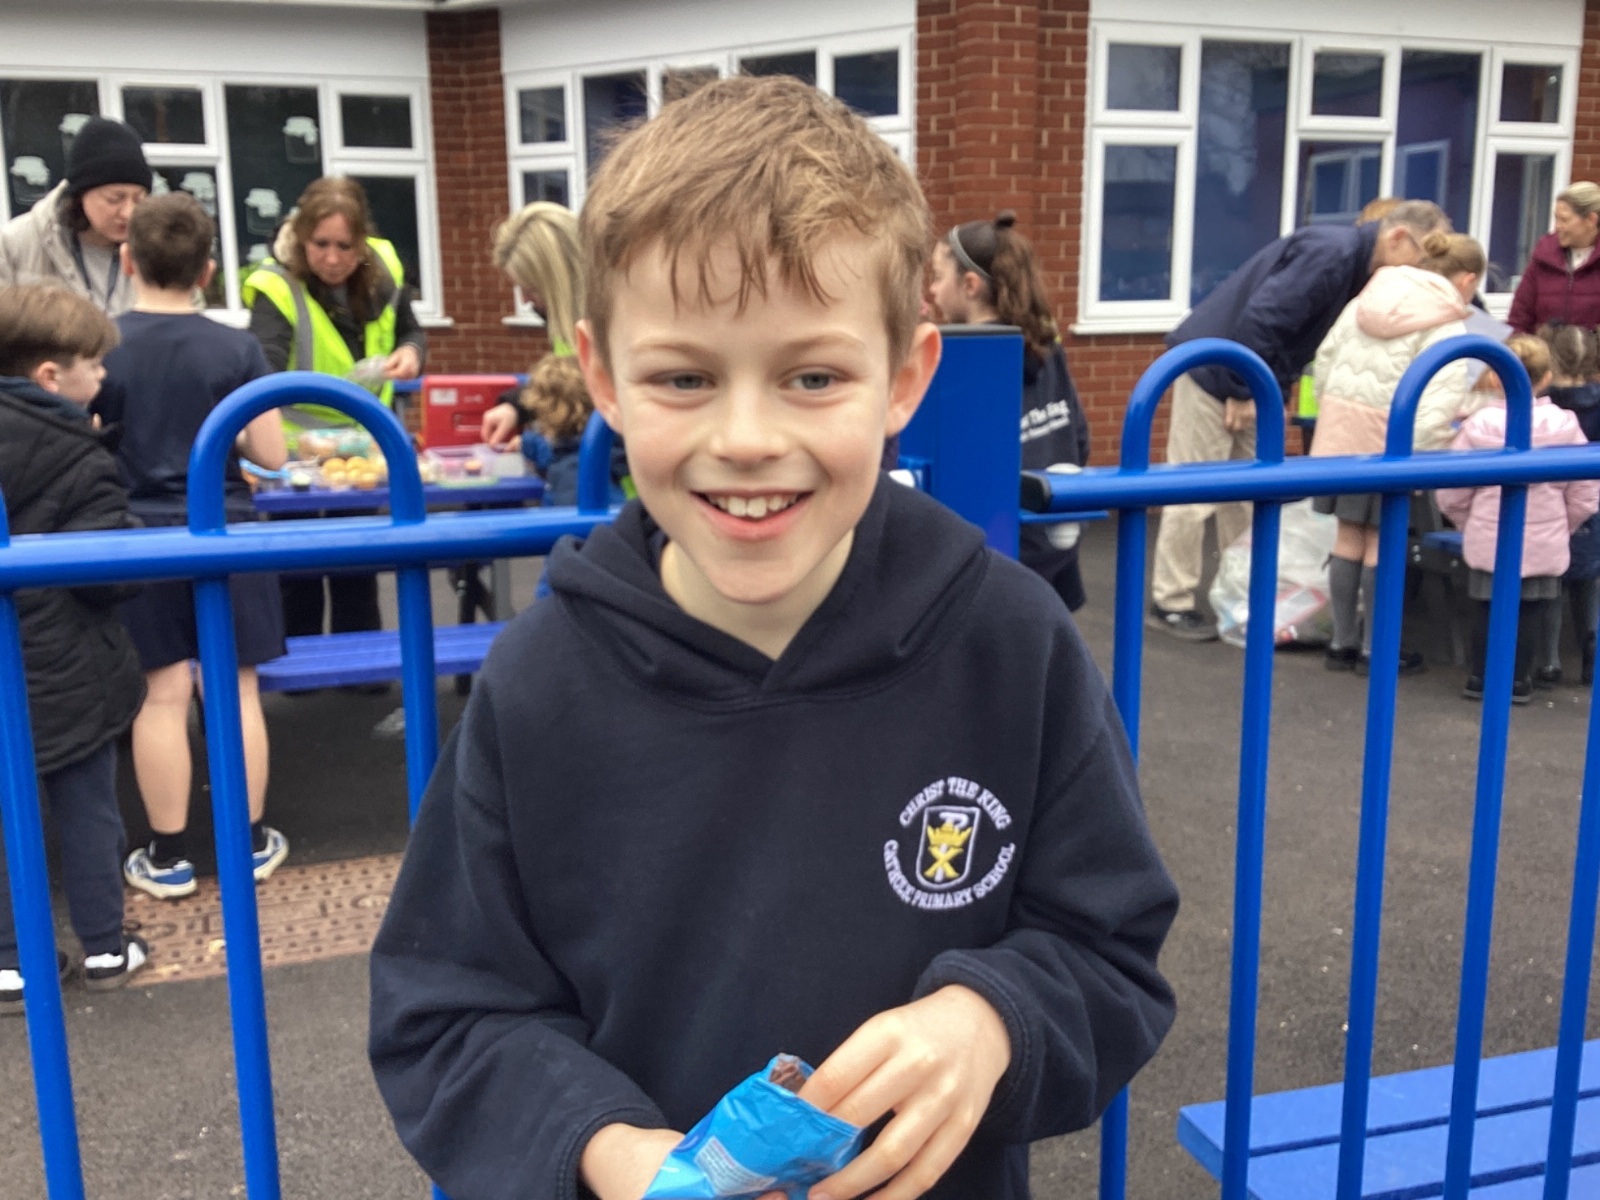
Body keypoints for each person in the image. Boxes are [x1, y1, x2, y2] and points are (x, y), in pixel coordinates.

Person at [368, 75, 1177, 1200]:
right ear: (602, 377)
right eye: (684, 377)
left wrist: (990, 1019)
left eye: (812, 376)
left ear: (904, 378)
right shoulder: (540, 685)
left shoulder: (1010, 645)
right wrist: (612, 1152)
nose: (746, 438)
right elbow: (449, 1015)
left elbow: (1110, 951)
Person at [95, 193, 292, 899]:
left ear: (128, 259)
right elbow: (271, 453)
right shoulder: (237, 348)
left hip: (138, 534)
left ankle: (168, 854)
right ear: (208, 270)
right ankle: (249, 842)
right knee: (236, 688)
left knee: (161, 695)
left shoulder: (104, 344)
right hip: (227, 528)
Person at [1150, 200, 1450, 641]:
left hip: (1248, 374)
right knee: (1192, 491)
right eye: (1420, 258)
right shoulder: (1333, 253)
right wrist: (1242, 388)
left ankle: (1240, 593)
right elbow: (1265, 317)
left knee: (1247, 495)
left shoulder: (1352, 263)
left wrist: (1265, 388)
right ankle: (1171, 600)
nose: (1418, 272)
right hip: (1217, 370)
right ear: (1398, 237)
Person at [0, 284, 149, 1012]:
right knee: (89, 810)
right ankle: (105, 946)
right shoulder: (77, 452)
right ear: (51, 376)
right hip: (69, 672)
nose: (104, 376)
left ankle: (8, 963)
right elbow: (107, 576)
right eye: (94, 364)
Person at [242, 176, 426, 641]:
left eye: (344, 246)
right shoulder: (277, 287)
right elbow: (262, 371)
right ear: (302, 238)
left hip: (364, 445)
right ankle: (300, 658)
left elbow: (409, 330)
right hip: (294, 456)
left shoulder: (384, 268)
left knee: (357, 565)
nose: (331, 258)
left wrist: (411, 352)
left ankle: (363, 664)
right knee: (298, 571)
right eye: (320, 244)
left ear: (362, 243)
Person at [1309, 231, 1485, 674]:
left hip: (1340, 440)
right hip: (1391, 446)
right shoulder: (1446, 321)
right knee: (1382, 544)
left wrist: (1335, 417)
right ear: (1467, 279)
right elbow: (1437, 404)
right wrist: (1419, 457)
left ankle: (1341, 643)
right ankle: (1377, 648)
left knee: (1347, 538)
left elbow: (1325, 362)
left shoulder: (1368, 296)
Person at [926, 211, 1094, 610]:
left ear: (970, 285)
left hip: (996, 562)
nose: (931, 290)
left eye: (937, 276)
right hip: (1056, 543)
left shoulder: (960, 360)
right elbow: (1080, 438)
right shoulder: (1045, 342)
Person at [1437, 334, 1599, 703]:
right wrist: (1564, 525)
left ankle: (1479, 677)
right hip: (1544, 537)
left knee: (1485, 604)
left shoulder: (1479, 425)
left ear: (1495, 377)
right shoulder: (1565, 426)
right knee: (1531, 608)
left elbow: (1451, 489)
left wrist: (1468, 522)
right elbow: (1585, 491)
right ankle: (1518, 680)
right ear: (1548, 377)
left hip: (1488, 534)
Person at [0, 117, 151, 316]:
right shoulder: (13, 244)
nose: (128, 212)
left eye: (139, 199)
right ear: (80, 194)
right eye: (115, 199)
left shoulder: (159, 248)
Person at [481, 202, 583, 451]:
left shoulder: (611, 325)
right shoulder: (565, 318)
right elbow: (568, 384)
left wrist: (541, 446)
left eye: (532, 288)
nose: (525, 300)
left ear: (558, 280)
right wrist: (516, 406)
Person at [1537, 322, 1600, 685]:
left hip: (1549, 505)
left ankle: (1549, 661)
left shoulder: (1544, 406)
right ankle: (1591, 656)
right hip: (1592, 504)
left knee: (1553, 582)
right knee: (1589, 578)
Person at [1508, 183, 1600, 334]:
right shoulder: (1542, 260)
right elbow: (1519, 320)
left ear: (1591, 220)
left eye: (1564, 220)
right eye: (1556, 219)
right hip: (1544, 349)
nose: (1557, 226)